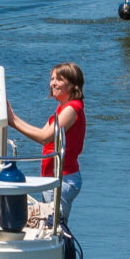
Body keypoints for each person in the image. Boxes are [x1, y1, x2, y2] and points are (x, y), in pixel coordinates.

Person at [7, 62, 85, 225]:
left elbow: (44, 137)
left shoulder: (71, 109)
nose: (53, 83)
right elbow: (41, 132)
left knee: (55, 227)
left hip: (63, 178)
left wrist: (13, 122)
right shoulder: (62, 108)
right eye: (52, 79)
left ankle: (66, 251)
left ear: (72, 85)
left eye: (59, 79)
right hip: (54, 176)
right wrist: (12, 118)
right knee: (51, 225)